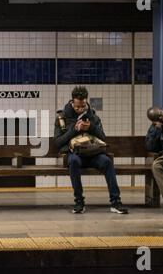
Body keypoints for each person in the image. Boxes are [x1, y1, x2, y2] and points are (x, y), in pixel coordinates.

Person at [54, 86, 128, 214]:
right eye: (77, 107)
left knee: (107, 162)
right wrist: (74, 130)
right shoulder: (62, 118)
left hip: (93, 153)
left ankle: (116, 202)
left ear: (86, 102)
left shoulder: (93, 116)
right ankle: (79, 201)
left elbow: (103, 138)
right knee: (74, 162)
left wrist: (91, 127)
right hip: (75, 154)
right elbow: (58, 142)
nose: (80, 109)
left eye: (83, 106)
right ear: (72, 102)